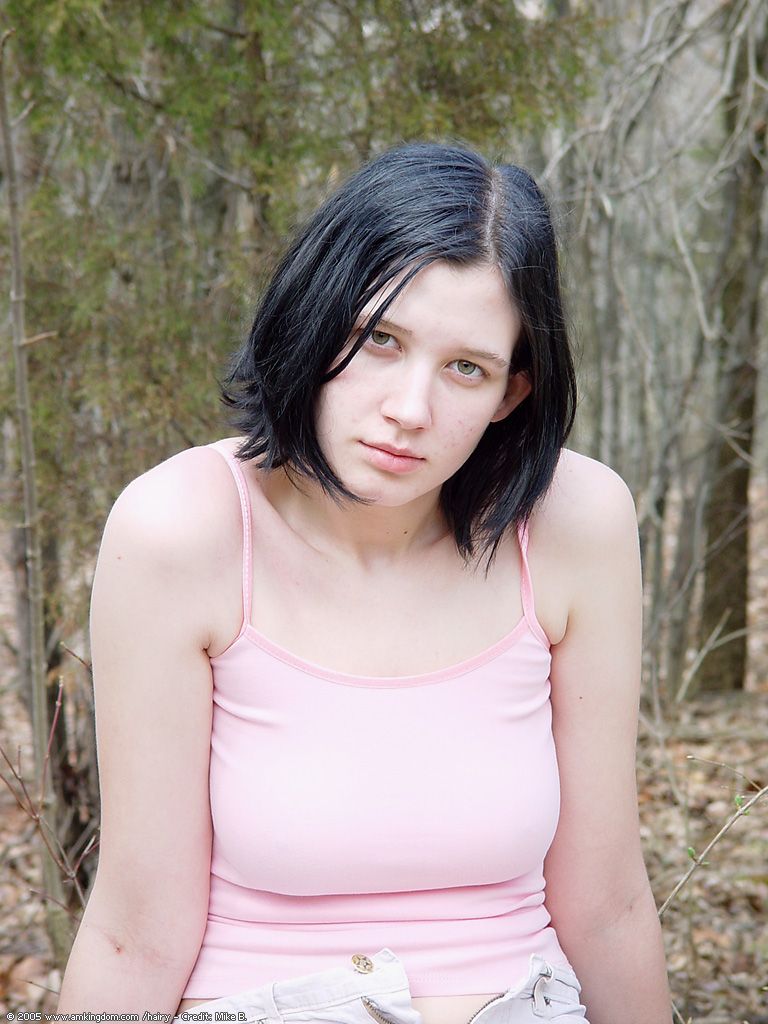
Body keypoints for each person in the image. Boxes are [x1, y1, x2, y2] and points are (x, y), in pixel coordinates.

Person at [56, 141, 671, 1023]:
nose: (409, 410)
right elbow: (135, 935)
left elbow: (607, 903)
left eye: (467, 367)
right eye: (380, 339)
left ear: (511, 394)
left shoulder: (576, 523)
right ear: (316, 318)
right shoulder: (183, 530)